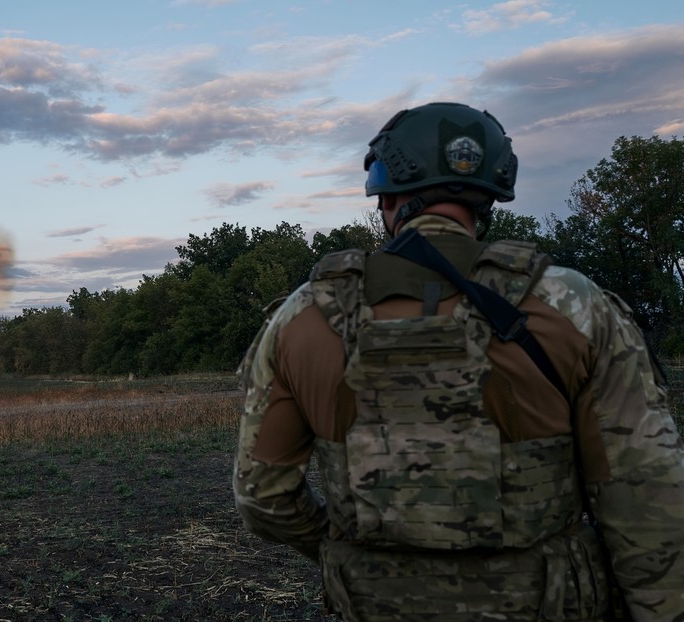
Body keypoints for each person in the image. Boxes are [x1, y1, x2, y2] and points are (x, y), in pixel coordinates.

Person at [233, 101, 684, 621]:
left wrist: (346, 552)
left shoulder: (302, 317)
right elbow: (647, 498)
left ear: (386, 198)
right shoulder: (572, 305)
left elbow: (263, 497)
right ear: (488, 196)